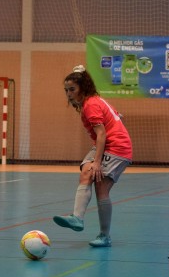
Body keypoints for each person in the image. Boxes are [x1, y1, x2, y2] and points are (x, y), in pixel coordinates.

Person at [53, 65, 133, 247]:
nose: (68, 94)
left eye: (72, 89)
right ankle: (77, 218)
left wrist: (97, 162)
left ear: (83, 87)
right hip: (107, 144)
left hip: (117, 147)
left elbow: (102, 134)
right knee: (86, 173)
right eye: (66, 90)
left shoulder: (90, 105)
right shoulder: (93, 101)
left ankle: (104, 236)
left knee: (100, 186)